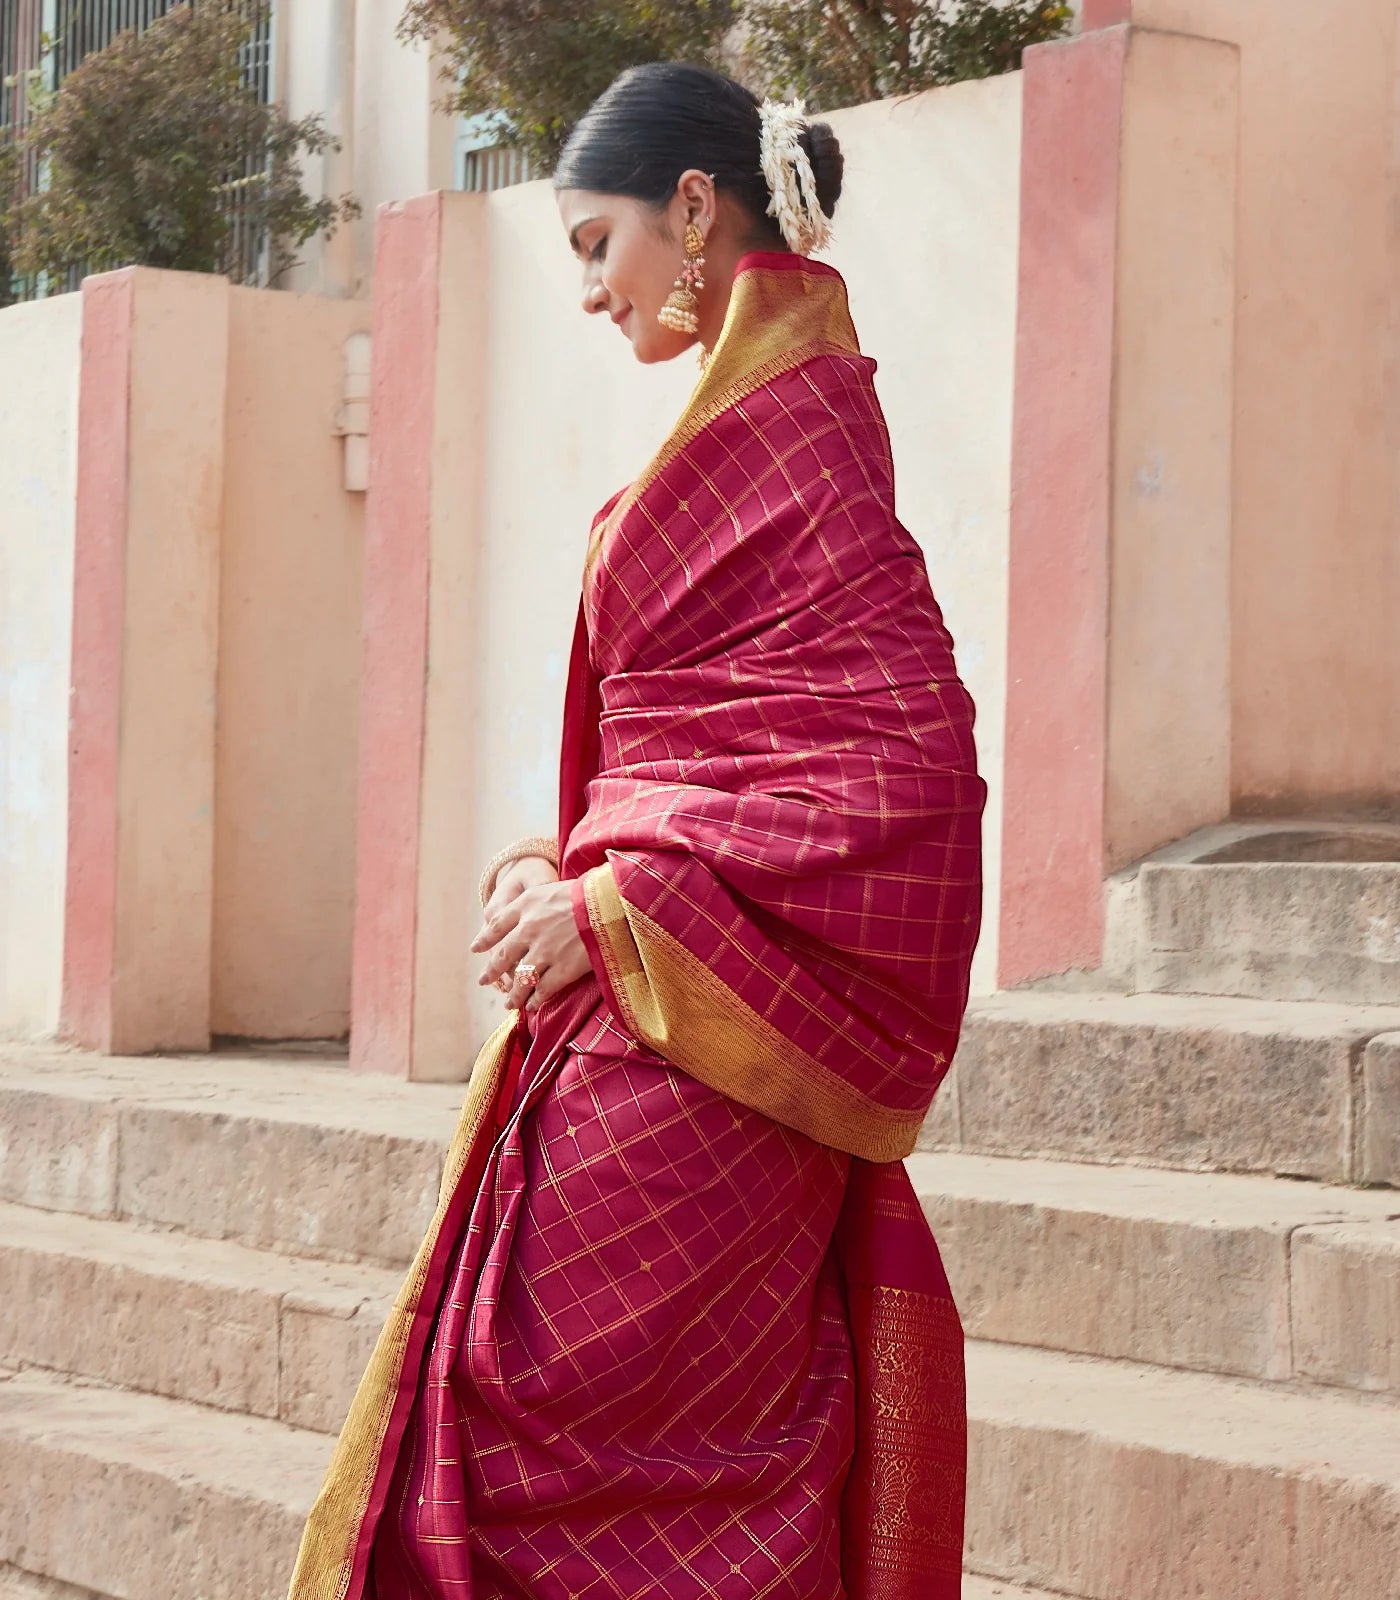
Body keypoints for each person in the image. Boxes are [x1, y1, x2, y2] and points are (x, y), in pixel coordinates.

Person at [288, 61, 984, 1600]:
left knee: (539, 1438)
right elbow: (699, 761)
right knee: (524, 1430)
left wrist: (611, 910)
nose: (592, 292)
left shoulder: (806, 453)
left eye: (598, 244)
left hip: (708, 1063)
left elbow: (906, 787)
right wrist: (567, 869)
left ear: (694, 208)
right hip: (645, 1031)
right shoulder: (742, 437)